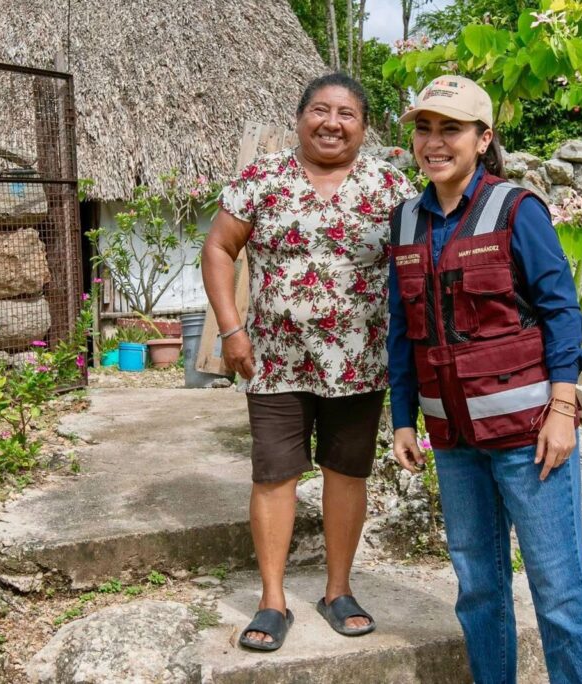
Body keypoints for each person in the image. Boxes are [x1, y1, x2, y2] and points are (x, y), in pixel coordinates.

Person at [386, 76, 582, 683]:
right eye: (424, 128)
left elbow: (561, 312)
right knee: (478, 590)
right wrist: (404, 418)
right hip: (453, 442)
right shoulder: (406, 223)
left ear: (483, 139)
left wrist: (564, 410)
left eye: (450, 129)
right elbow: (403, 330)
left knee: (559, 596)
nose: (434, 141)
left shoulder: (516, 209)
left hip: (528, 436)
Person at [202, 73, 414, 651]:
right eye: (320, 110)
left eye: (347, 114)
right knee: (274, 475)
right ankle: (272, 600)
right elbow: (219, 247)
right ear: (299, 118)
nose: (332, 122)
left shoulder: (389, 187)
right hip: (273, 360)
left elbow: (417, 266)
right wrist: (231, 329)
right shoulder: (262, 180)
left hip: (360, 361)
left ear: (364, 128)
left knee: (348, 473)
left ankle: (337, 590)